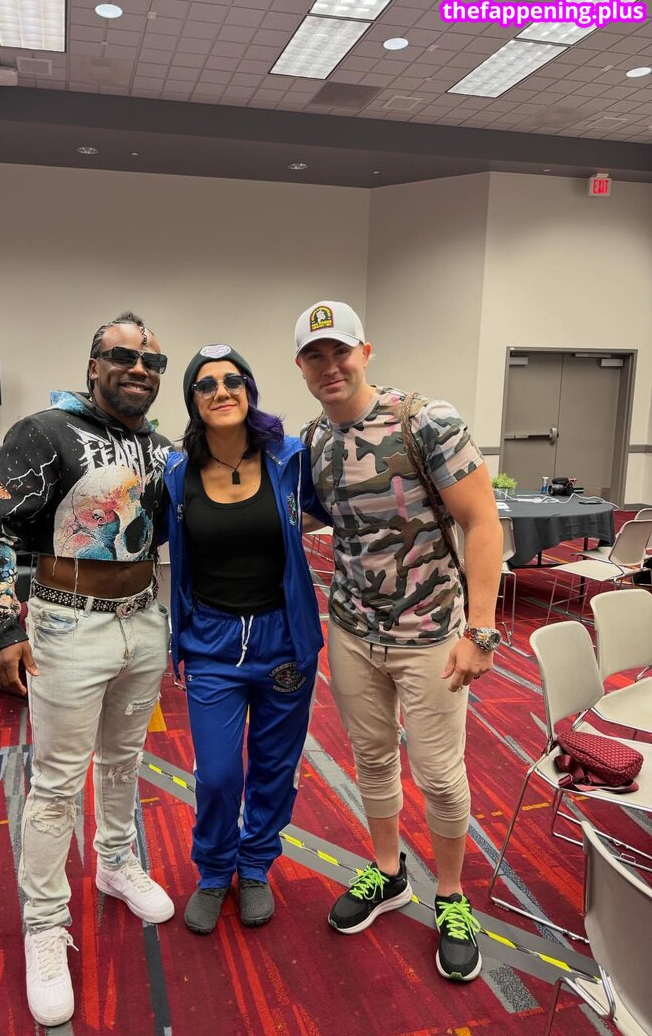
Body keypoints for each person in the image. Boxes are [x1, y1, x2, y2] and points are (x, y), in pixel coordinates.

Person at [0, 311, 175, 1026]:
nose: (139, 369)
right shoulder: (44, 431)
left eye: (152, 362)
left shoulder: (161, 448)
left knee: (124, 760)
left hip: (142, 620)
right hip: (66, 621)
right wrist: (1, 624)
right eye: (123, 356)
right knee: (57, 781)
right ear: (94, 365)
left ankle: (116, 863)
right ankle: (44, 924)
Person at [293, 301, 503, 983]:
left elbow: (483, 524)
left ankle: (452, 897)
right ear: (301, 367)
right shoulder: (313, 441)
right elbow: (319, 518)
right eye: (315, 356)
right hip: (353, 630)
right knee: (372, 757)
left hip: (432, 634)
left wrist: (480, 631)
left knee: (440, 775)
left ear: (366, 351)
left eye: (340, 351)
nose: (330, 366)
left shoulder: (427, 422)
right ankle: (388, 872)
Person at [163, 345, 329, 935]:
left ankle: (255, 864)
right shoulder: (175, 472)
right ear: (193, 401)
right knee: (216, 773)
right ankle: (214, 870)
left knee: (275, 764)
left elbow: (344, 510)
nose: (221, 391)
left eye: (233, 380)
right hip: (211, 642)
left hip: (284, 637)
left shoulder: (291, 458)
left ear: (250, 391)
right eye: (206, 385)